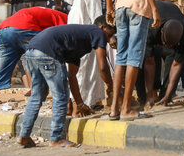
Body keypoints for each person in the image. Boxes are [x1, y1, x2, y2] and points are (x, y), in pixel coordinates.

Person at [17, 16, 116, 148]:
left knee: (37, 96)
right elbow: (103, 67)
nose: (111, 37)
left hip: (31, 51)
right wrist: (112, 87)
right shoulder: (98, 32)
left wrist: (80, 103)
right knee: (61, 96)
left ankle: (24, 136)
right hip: (48, 52)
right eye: (112, 32)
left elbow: (72, 77)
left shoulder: (77, 43)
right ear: (103, 27)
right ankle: (56, 139)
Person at [0, 7, 68, 143]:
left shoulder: (47, 14)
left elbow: (27, 59)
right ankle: (53, 137)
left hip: (4, 30)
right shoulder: (67, 20)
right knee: (50, 75)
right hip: (26, 28)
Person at [63, 0, 112, 108]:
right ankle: (86, 102)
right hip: (87, 21)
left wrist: (75, 4)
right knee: (87, 64)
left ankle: (76, 101)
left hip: (75, 16)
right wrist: (101, 27)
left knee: (78, 64)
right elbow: (94, 6)